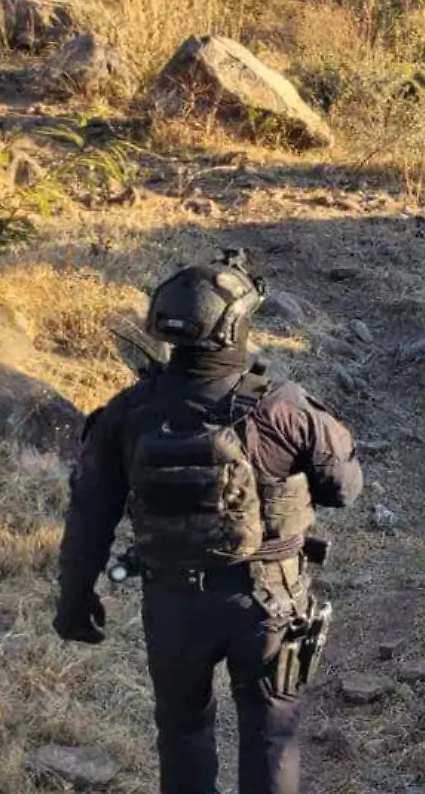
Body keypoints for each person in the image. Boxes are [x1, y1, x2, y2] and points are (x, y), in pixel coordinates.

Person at [54, 250, 364, 794]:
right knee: (271, 736)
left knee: (181, 733)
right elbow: (343, 489)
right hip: (267, 602)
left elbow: (90, 514)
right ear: (237, 327)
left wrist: (75, 599)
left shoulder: (127, 412)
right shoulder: (283, 408)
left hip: (172, 605)